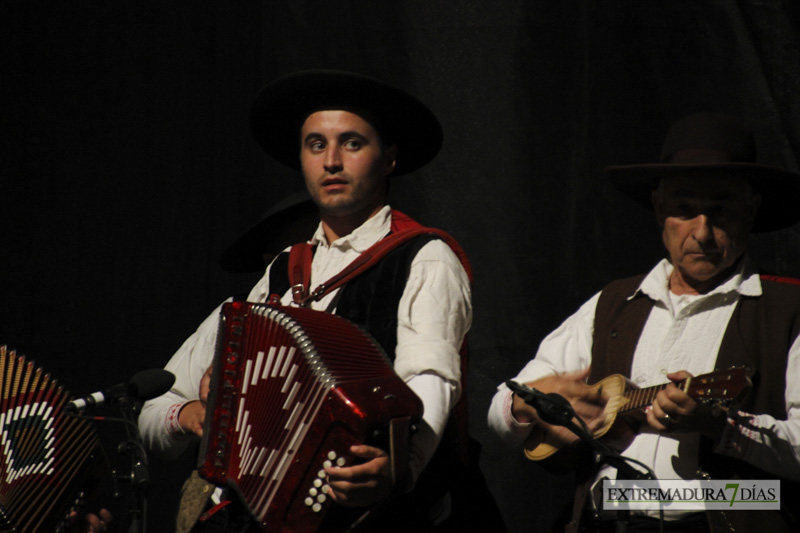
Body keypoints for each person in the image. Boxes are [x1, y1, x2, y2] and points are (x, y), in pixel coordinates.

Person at [139, 70, 473, 532]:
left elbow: (430, 378)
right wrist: (196, 414)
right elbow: (156, 412)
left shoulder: (424, 256)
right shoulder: (280, 273)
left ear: (389, 158)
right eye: (316, 145)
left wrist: (400, 467)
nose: (331, 161)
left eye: (352, 143)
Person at [488, 112, 800, 532]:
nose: (702, 232)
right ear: (658, 209)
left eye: (721, 209)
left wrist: (721, 427)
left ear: (751, 211)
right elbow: (499, 414)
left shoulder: (786, 309)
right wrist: (530, 402)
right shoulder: (612, 303)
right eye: (684, 208)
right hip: (607, 520)